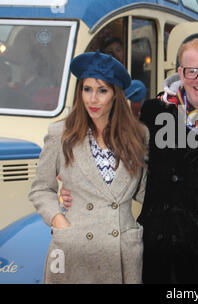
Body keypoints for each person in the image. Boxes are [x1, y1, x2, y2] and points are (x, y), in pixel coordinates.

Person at [61, 38, 198, 283]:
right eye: (192, 70)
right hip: (157, 250)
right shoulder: (153, 111)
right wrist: (76, 188)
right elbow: (118, 158)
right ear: (180, 72)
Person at [28, 52, 148, 283]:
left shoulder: (138, 135)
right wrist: (58, 220)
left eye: (102, 90)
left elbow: (145, 193)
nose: (93, 99)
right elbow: (41, 189)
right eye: (87, 89)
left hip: (122, 249)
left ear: (115, 94)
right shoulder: (60, 134)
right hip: (74, 246)